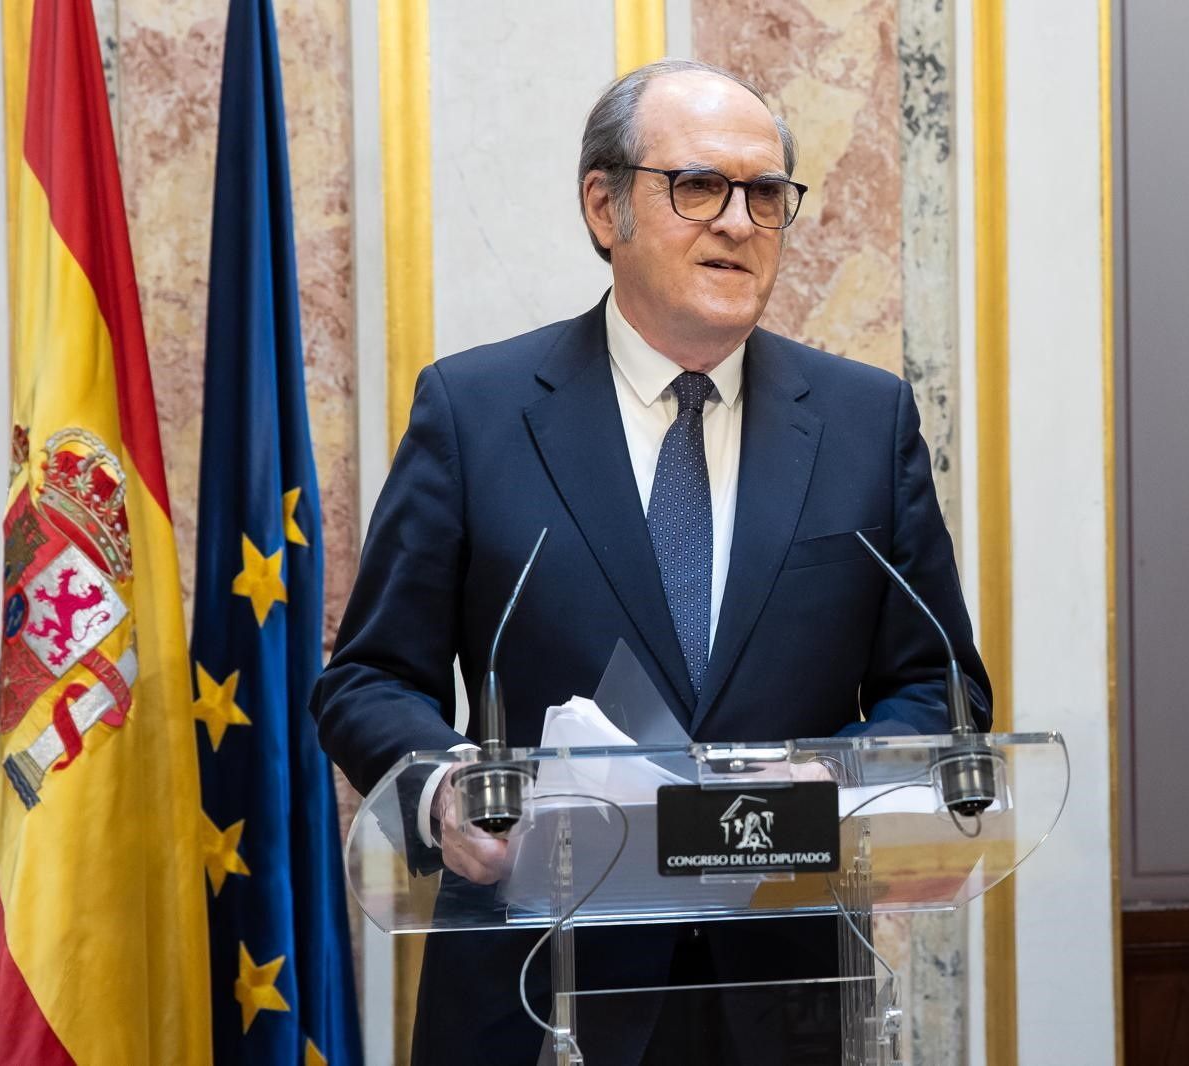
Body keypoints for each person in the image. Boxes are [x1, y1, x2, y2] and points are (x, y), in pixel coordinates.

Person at [312, 57, 990, 1065]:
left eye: (766, 195)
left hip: (784, 993)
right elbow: (368, 679)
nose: (737, 221)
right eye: (698, 186)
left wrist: (837, 773)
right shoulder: (478, 411)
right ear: (604, 206)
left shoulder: (861, 421)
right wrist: (451, 786)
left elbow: (939, 689)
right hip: (542, 991)